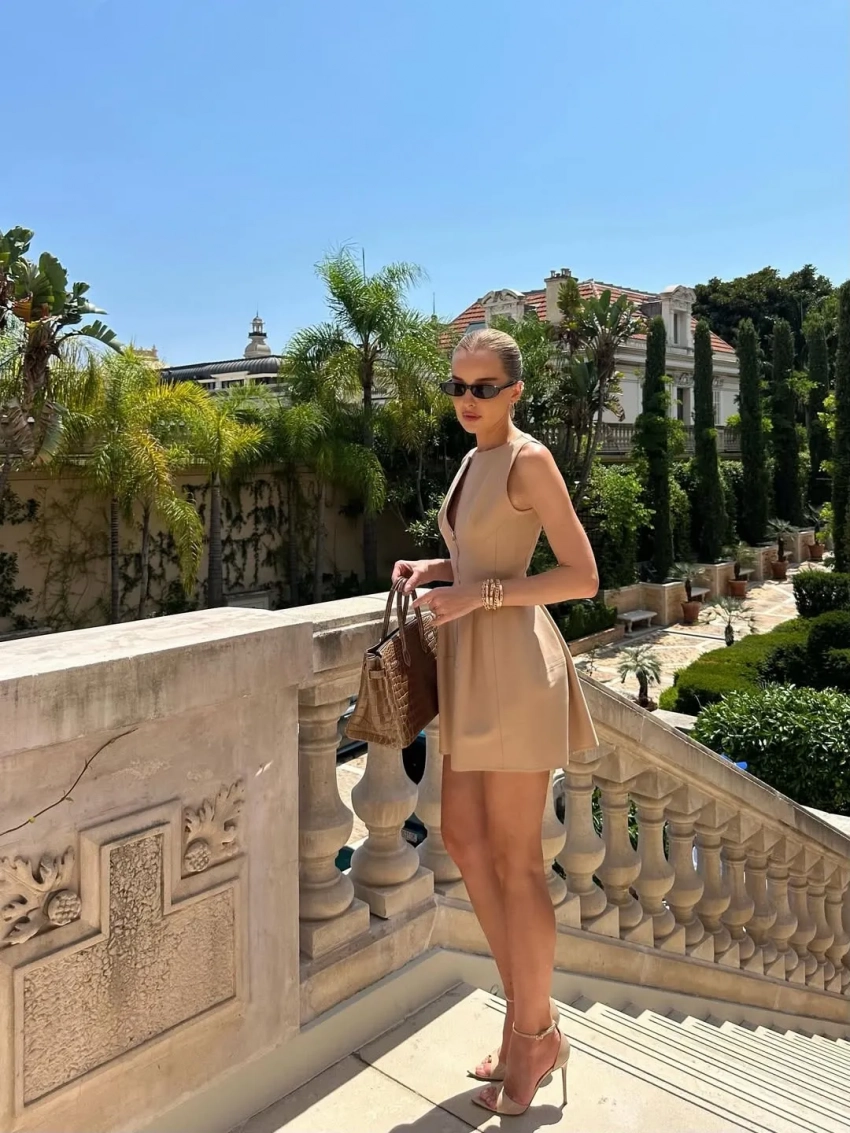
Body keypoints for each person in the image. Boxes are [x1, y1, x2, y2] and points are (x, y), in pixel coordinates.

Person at [391, 327, 599, 1116]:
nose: (467, 401)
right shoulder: (473, 458)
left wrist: (475, 595)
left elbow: (581, 575)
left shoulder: (527, 459)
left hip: (512, 667)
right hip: (470, 667)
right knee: (465, 841)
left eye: (483, 388)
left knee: (516, 861)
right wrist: (436, 567)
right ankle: (528, 1025)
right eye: (457, 387)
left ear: (515, 391)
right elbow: (488, 554)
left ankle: (533, 1035)